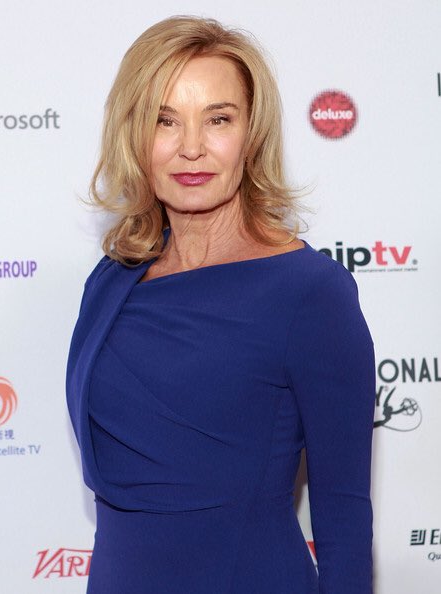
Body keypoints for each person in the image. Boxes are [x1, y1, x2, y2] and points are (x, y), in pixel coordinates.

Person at [66, 15, 376, 594]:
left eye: (218, 119)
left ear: (251, 134)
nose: (191, 148)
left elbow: (344, 514)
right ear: (134, 134)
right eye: (165, 120)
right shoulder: (111, 278)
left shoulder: (309, 292)